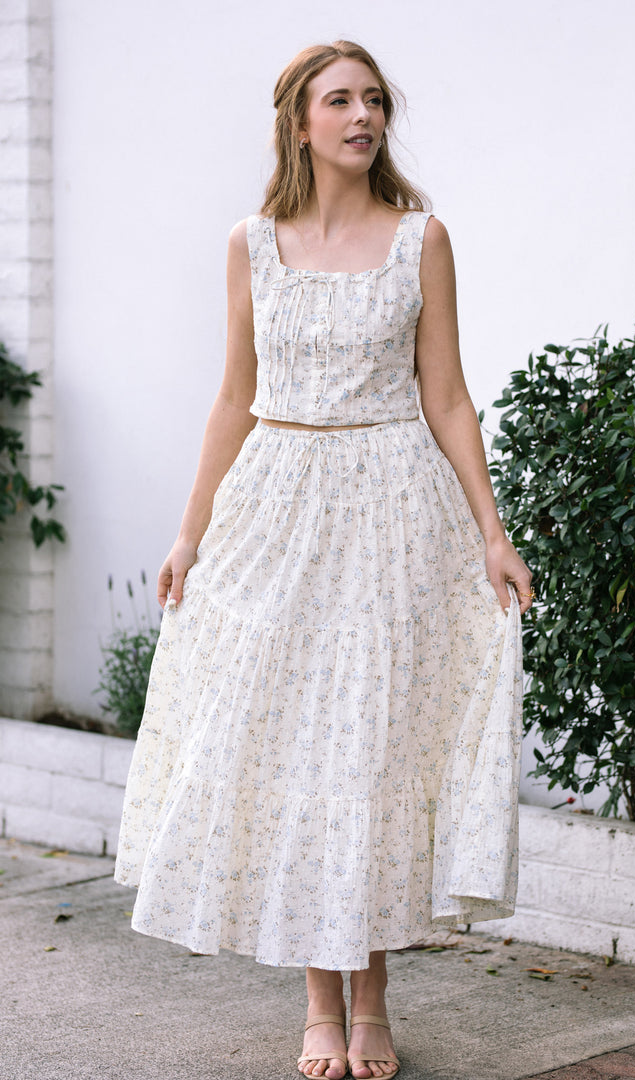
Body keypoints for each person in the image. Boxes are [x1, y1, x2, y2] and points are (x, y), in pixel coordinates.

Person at [114, 39, 533, 1080]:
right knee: (298, 753)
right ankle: (316, 1003)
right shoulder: (250, 243)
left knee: (375, 756)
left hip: (397, 515)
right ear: (297, 122)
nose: (362, 117)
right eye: (338, 101)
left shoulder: (421, 239)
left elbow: (447, 397)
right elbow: (231, 396)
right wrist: (188, 530)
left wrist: (492, 531)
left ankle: (375, 1002)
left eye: (375, 100)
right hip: (277, 506)